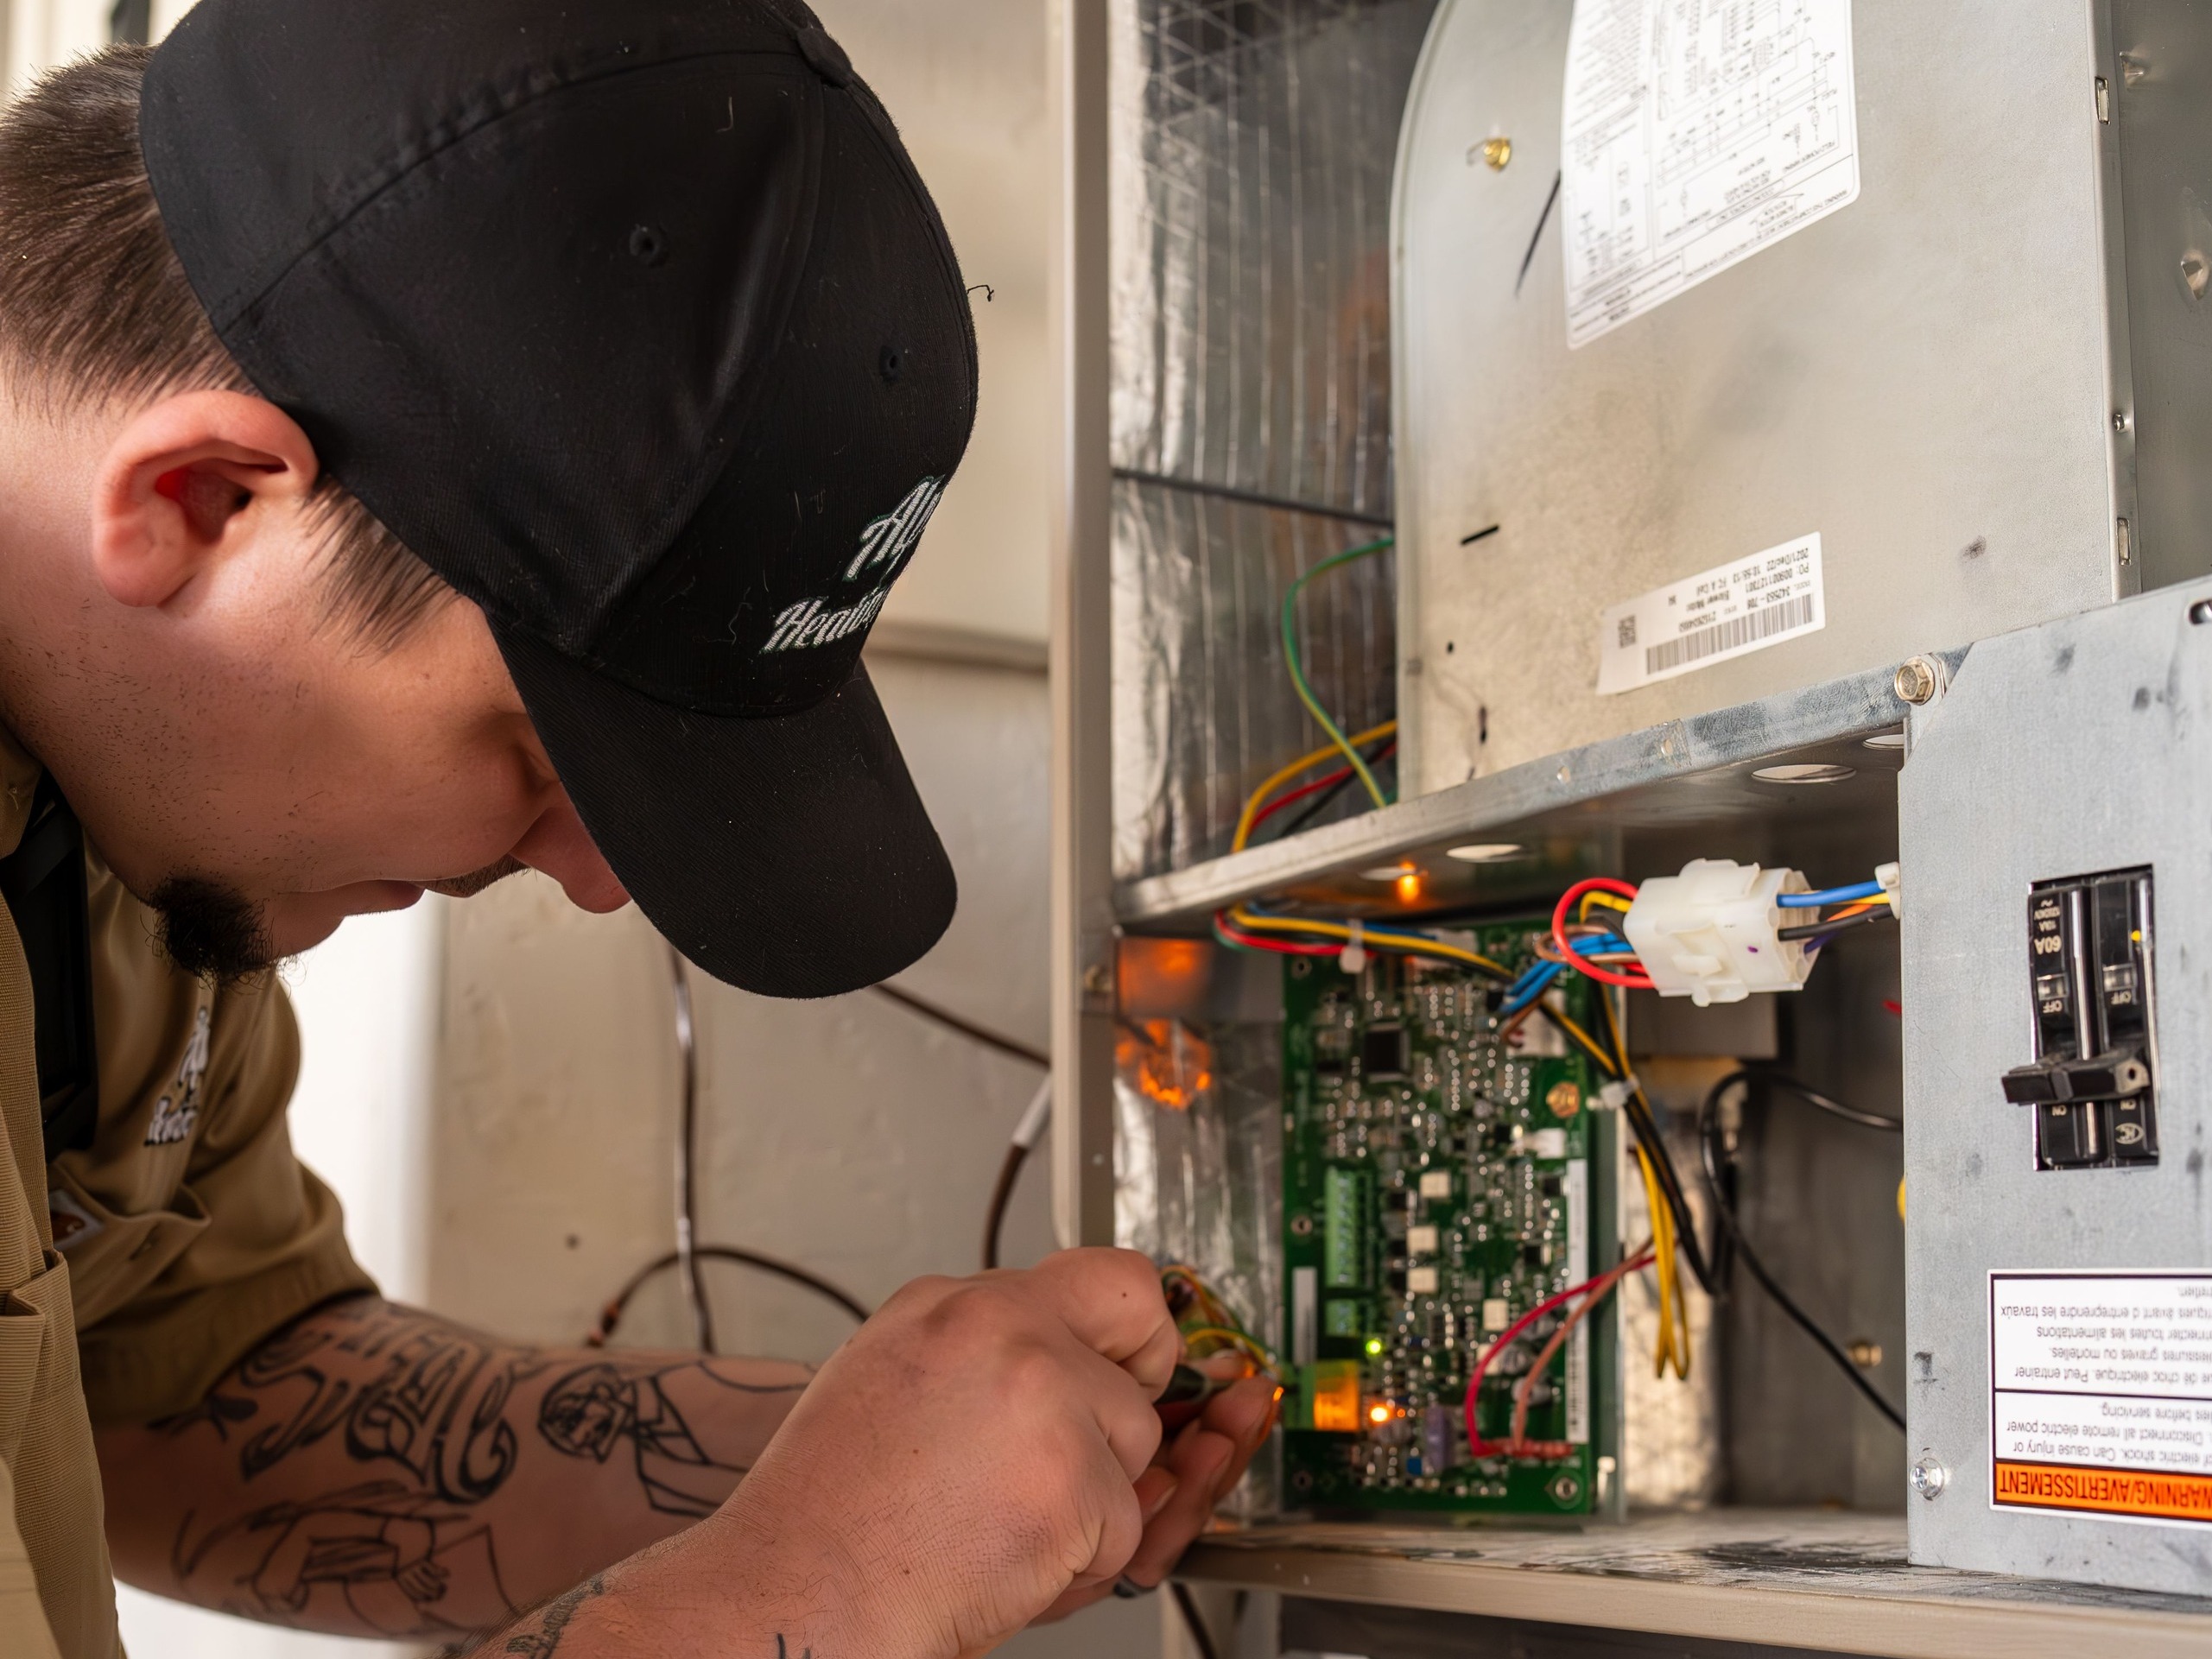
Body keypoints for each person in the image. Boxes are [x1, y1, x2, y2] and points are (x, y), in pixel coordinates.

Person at [0, 3, 1277, 1655]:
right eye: (541, 747)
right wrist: (814, 1586)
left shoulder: (139, 831)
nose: (603, 879)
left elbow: (194, 1391)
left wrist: (897, 1447)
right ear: (204, 503)